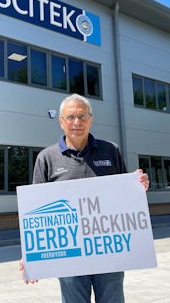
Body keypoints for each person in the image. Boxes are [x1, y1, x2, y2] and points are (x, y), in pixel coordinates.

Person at [19, 93, 150, 303]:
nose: (77, 122)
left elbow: (125, 196)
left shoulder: (110, 150)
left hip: (108, 251)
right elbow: (35, 209)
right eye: (70, 117)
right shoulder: (46, 158)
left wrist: (138, 187)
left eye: (82, 116)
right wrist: (30, 255)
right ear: (61, 122)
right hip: (70, 254)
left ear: (91, 119)